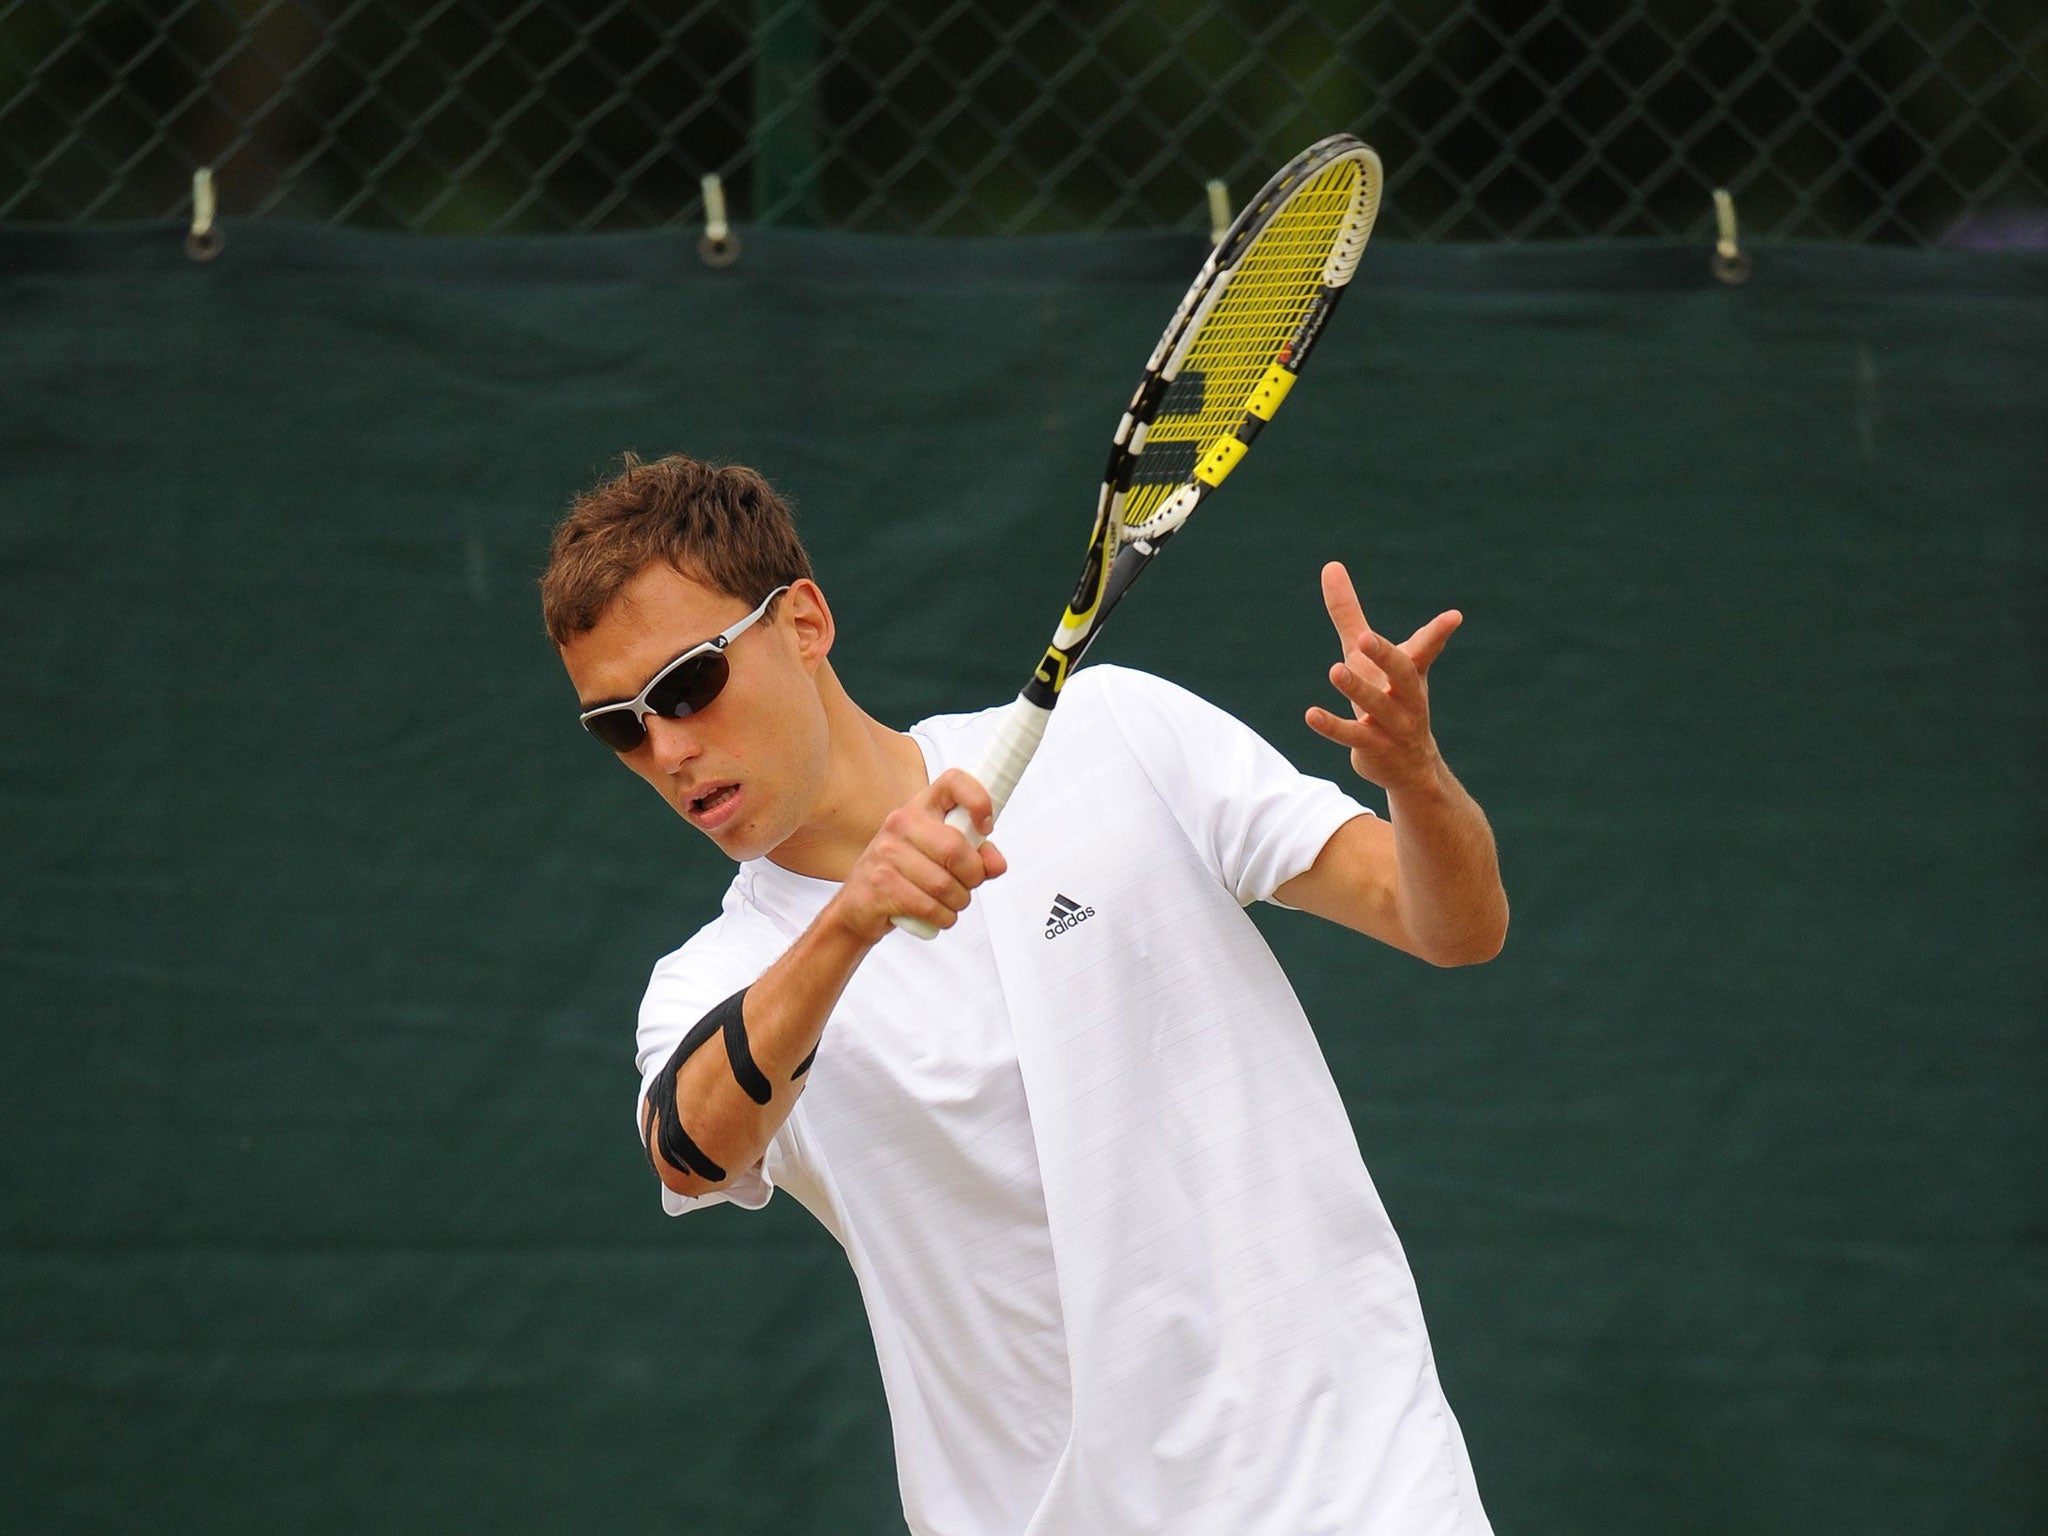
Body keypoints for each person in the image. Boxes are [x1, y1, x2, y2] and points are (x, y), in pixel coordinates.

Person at [543, 453, 1509, 1536]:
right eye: (619, 725)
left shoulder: (1119, 734)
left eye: (687, 684)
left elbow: (1452, 928)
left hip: (1361, 1493)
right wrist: (851, 920)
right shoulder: (711, 984)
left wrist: (1417, 780)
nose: (667, 746)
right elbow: (692, 1148)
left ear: (804, 623)